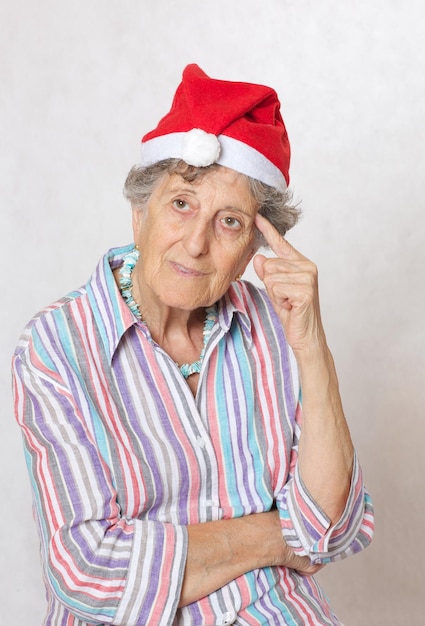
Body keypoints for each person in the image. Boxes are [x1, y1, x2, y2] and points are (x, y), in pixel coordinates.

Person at [12, 64, 374, 626]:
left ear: (255, 243)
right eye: (181, 204)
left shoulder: (274, 326)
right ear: (140, 213)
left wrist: (311, 346)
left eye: (229, 221)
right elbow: (87, 572)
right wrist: (276, 536)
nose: (197, 243)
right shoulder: (55, 348)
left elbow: (331, 527)